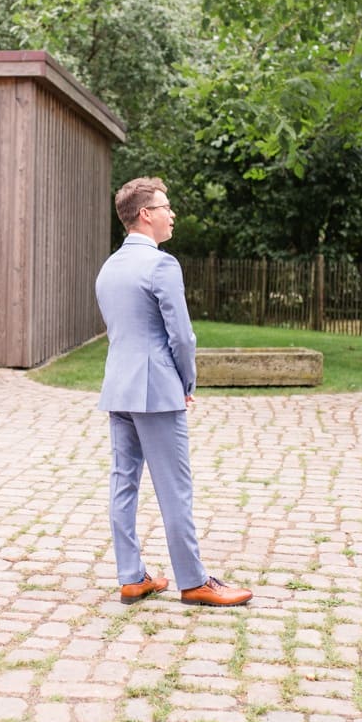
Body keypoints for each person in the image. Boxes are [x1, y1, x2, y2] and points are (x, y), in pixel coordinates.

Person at [95, 177, 252, 608]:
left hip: (119, 389)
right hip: (156, 390)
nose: (172, 214)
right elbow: (182, 337)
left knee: (123, 484)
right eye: (165, 206)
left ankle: (132, 577)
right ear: (146, 214)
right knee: (175, 488)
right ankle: (194, 580)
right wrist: (186, 381)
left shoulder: (109, 267)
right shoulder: (162, 265)